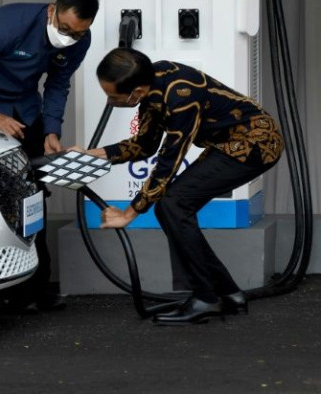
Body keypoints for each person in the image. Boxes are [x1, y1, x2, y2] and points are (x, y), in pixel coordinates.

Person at [72, 47, 284, 325]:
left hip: (255, 143)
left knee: (173, 204)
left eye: (114, 96)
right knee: (170, 206)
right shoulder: (152, 86)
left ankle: (206, 297)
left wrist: (129, 213)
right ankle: (227, 293)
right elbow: (145, 146)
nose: (110, 102)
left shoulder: (179, 95)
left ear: (136, 91)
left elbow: (168, 162)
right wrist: (91, 154)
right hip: (227, 145)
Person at [0, 0, 100, 312]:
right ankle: (1, 284)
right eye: (64, 29)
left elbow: (58, 84)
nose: (69, 37)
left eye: (77, 33)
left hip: (23, 107)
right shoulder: (9, 24)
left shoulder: (79, 40)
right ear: (51, 11)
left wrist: (51, 130)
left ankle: (34, 286)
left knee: (32, 190)